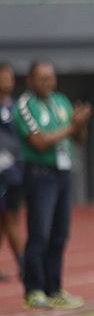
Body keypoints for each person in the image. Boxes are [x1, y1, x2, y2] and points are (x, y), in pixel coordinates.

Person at [14, 60, 90, 310]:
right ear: (31, 80)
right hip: (40, 173)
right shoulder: (25, 105)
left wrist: (79, 126)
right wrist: (71, 127)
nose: (48, 82)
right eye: (42, 78)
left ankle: (54, 288)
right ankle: (34, 289)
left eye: (51, 77)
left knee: (60, 234)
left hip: (63, 172)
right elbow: (38, 142)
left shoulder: (61, 102)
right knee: (40, 233)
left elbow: (78, 139)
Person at [0, 61, 26, 280]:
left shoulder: (17, 109)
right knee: (6, 219)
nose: (8, 81)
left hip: (14, 173)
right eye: (4, 76)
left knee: (11, 218)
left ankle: (23, 264)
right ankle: (24, 265)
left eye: (10, 76)